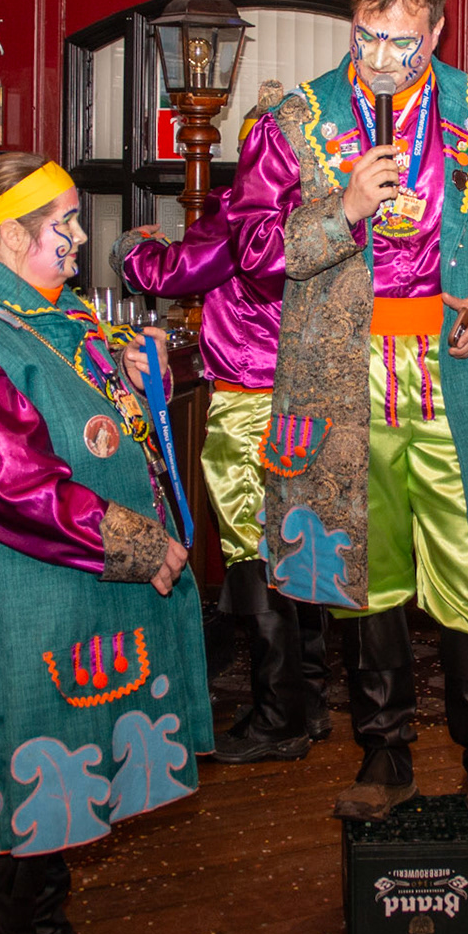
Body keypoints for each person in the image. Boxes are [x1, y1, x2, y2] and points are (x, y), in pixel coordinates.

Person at [231, 0, 468, 837]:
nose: (381, 58)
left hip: (456, 380)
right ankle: (383, 754)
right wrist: (344, 210)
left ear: (437, 30)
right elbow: (251, 252)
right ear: (353, 23)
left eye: (402, 42)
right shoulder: (296, 121)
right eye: (367, 36)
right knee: (363, 576)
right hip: (342, 388)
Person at [0, 152, 211, 934]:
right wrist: (139, 544)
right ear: (8, 236)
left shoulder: (50, 312)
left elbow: (90, 408)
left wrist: (136, 372)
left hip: (64, 595)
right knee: (13, 770)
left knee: (59, 769)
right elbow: (16, 488)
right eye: (63, 225)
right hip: (4, 603)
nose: (81, 239)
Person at [119, 86, 331, 764]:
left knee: (251, 552)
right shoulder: (329, 213)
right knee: (304, 548)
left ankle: (278, 716)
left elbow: (175, 271)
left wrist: (131, 248)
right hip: (314, 402)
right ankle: (310, 699)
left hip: (249, 402)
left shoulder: (246, 214)